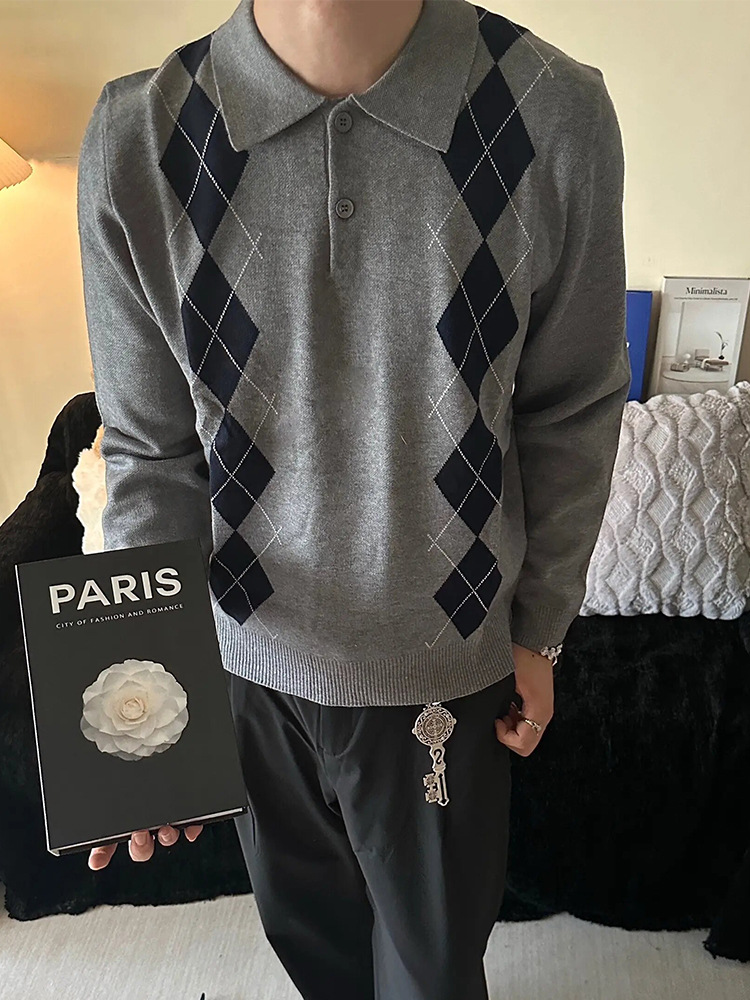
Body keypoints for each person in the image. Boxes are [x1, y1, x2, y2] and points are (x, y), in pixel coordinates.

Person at [76, 0, 630, 997]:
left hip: (445, 668)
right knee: (317, 960)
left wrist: (541, 628)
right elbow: (151, 452)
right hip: (247, 669)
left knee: (432, 977)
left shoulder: (554, 111)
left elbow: (571, 405)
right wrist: (145, 700)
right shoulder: (136, 138)